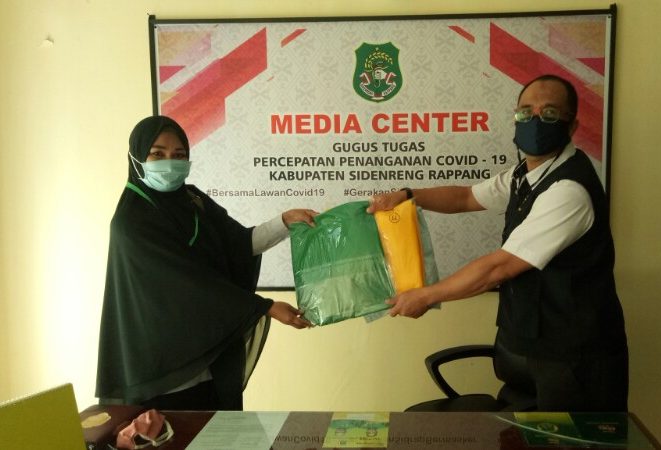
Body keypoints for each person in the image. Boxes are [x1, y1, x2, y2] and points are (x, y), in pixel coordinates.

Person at [368, 74, 628, 412]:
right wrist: (407, 195)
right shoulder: (525, 175)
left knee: (563, 439)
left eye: (550, 113)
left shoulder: (569, 190)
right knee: (517, 433)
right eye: (525, 112)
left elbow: (498, 268)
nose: (535, 120)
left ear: (572, 125)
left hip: (573, 362)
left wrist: (426, 295)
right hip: (527, 349)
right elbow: (464, 197)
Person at [95, 115, 316, 411]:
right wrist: (263, 307)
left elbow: (239, 245)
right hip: (162, 375)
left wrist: (285, 221)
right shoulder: (131, 223)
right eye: (157, 154)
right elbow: (187, 284)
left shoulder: (193, 200)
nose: (170, 163)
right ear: (136, 158)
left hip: (208, 363)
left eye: (179, 155)